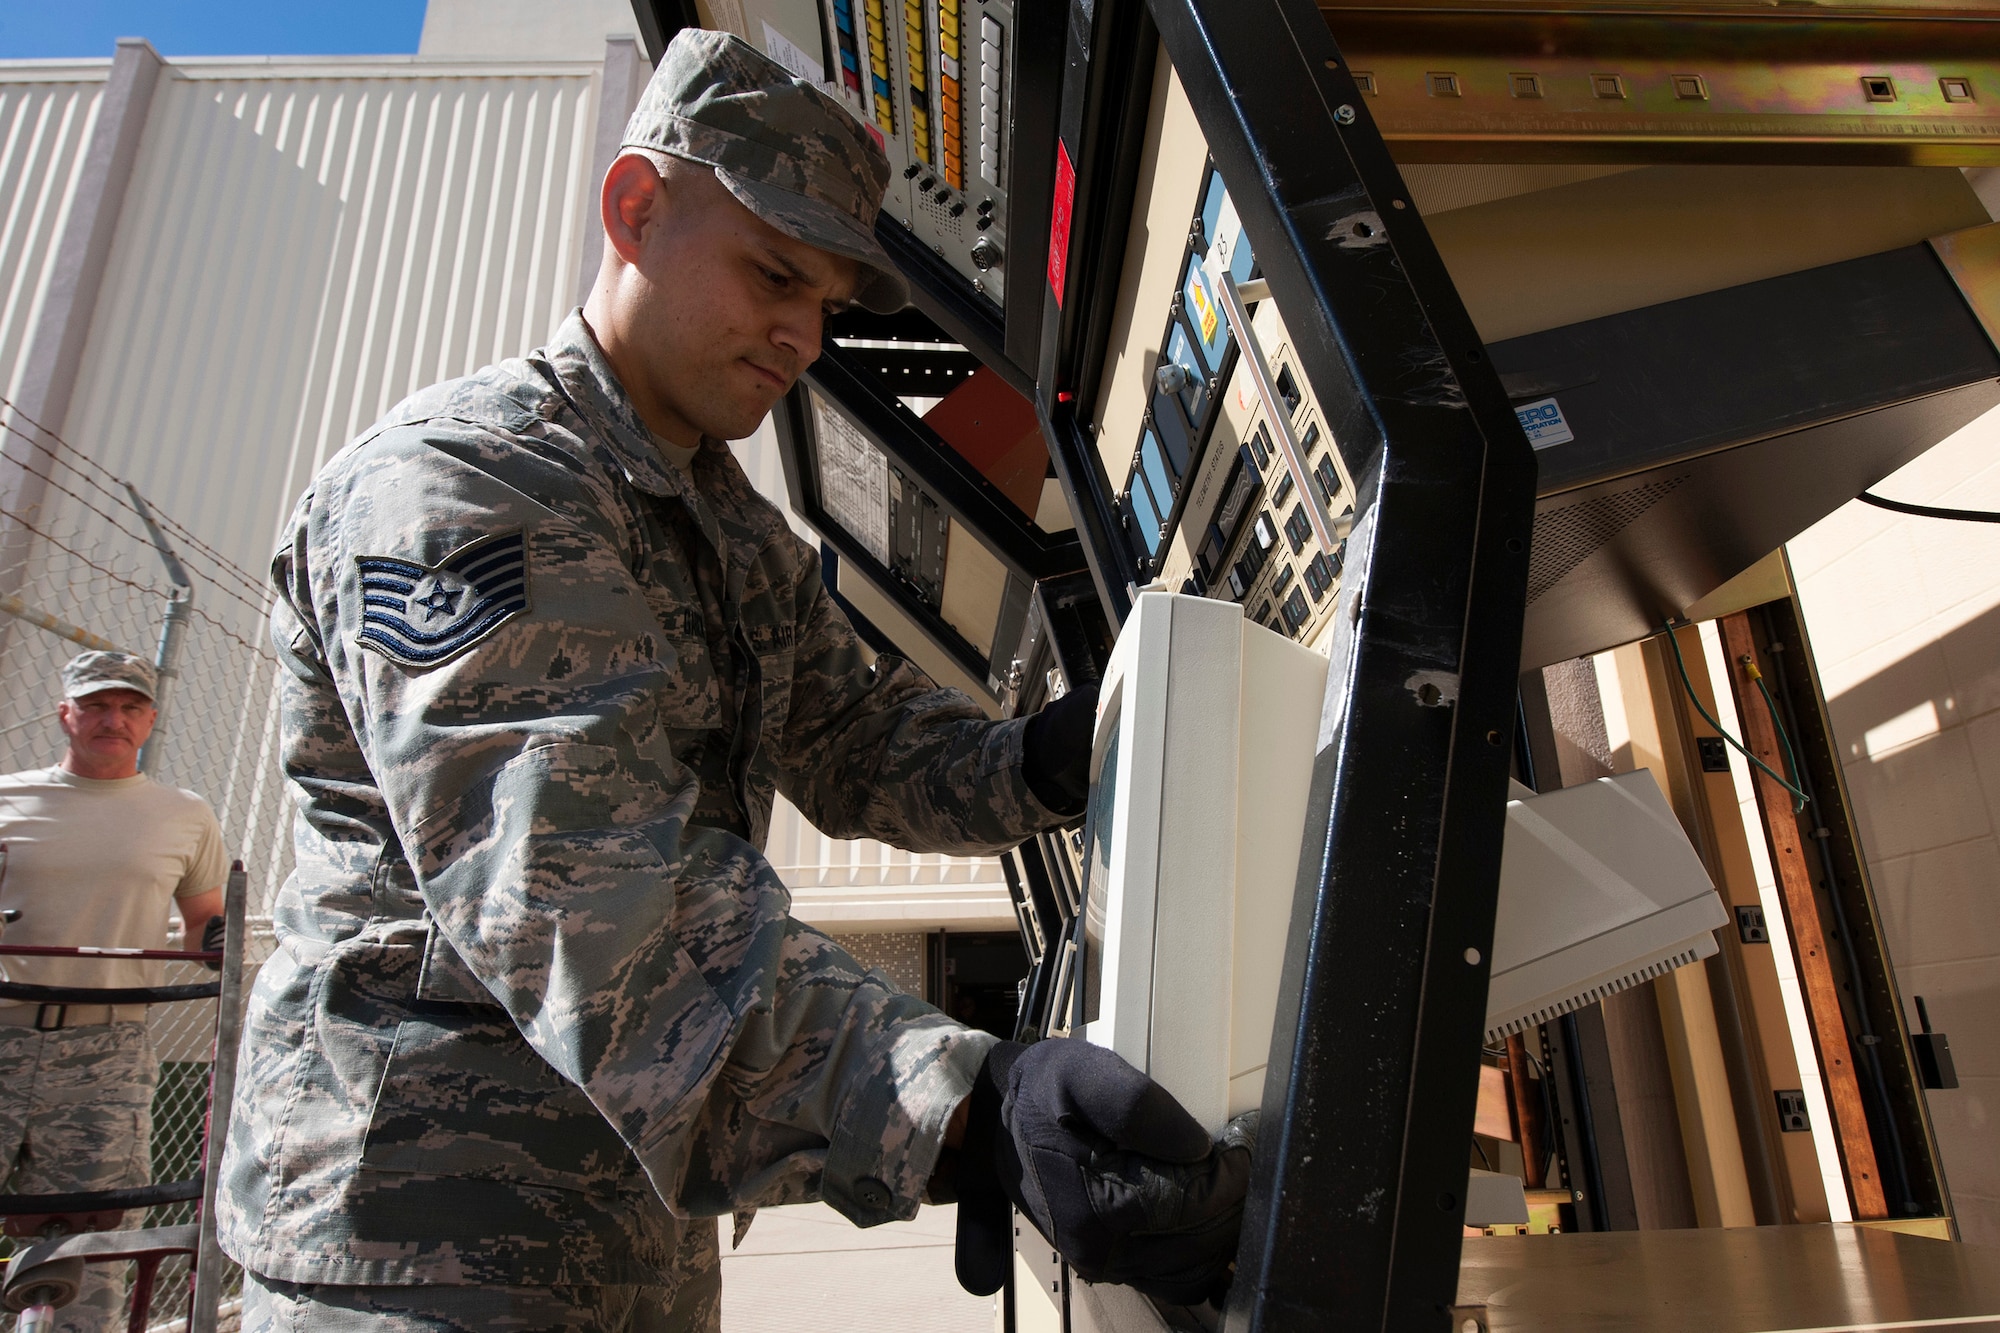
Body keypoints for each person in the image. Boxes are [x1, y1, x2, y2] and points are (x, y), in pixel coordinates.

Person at [218, 29, 1249, 1331]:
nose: (800, 333)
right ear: (635, 209)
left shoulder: (722, 522)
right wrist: (960, 1105)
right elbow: (579, 889)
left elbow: (852, 734)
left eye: (824, 300)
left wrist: (1050, 759)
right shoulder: (465, 489)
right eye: (773, 272)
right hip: (421, 1248)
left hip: (627, 1234)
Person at [0, 650, 227, 1333]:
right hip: (2, 1027)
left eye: (129, 707)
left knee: (91, 1245)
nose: (113, 719)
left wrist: (223, 943)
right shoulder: (7, 798)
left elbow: (202, 926)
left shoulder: (182, 815)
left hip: (107, 1050)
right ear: (66, 713)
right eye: (96, 705)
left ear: (151, 720)